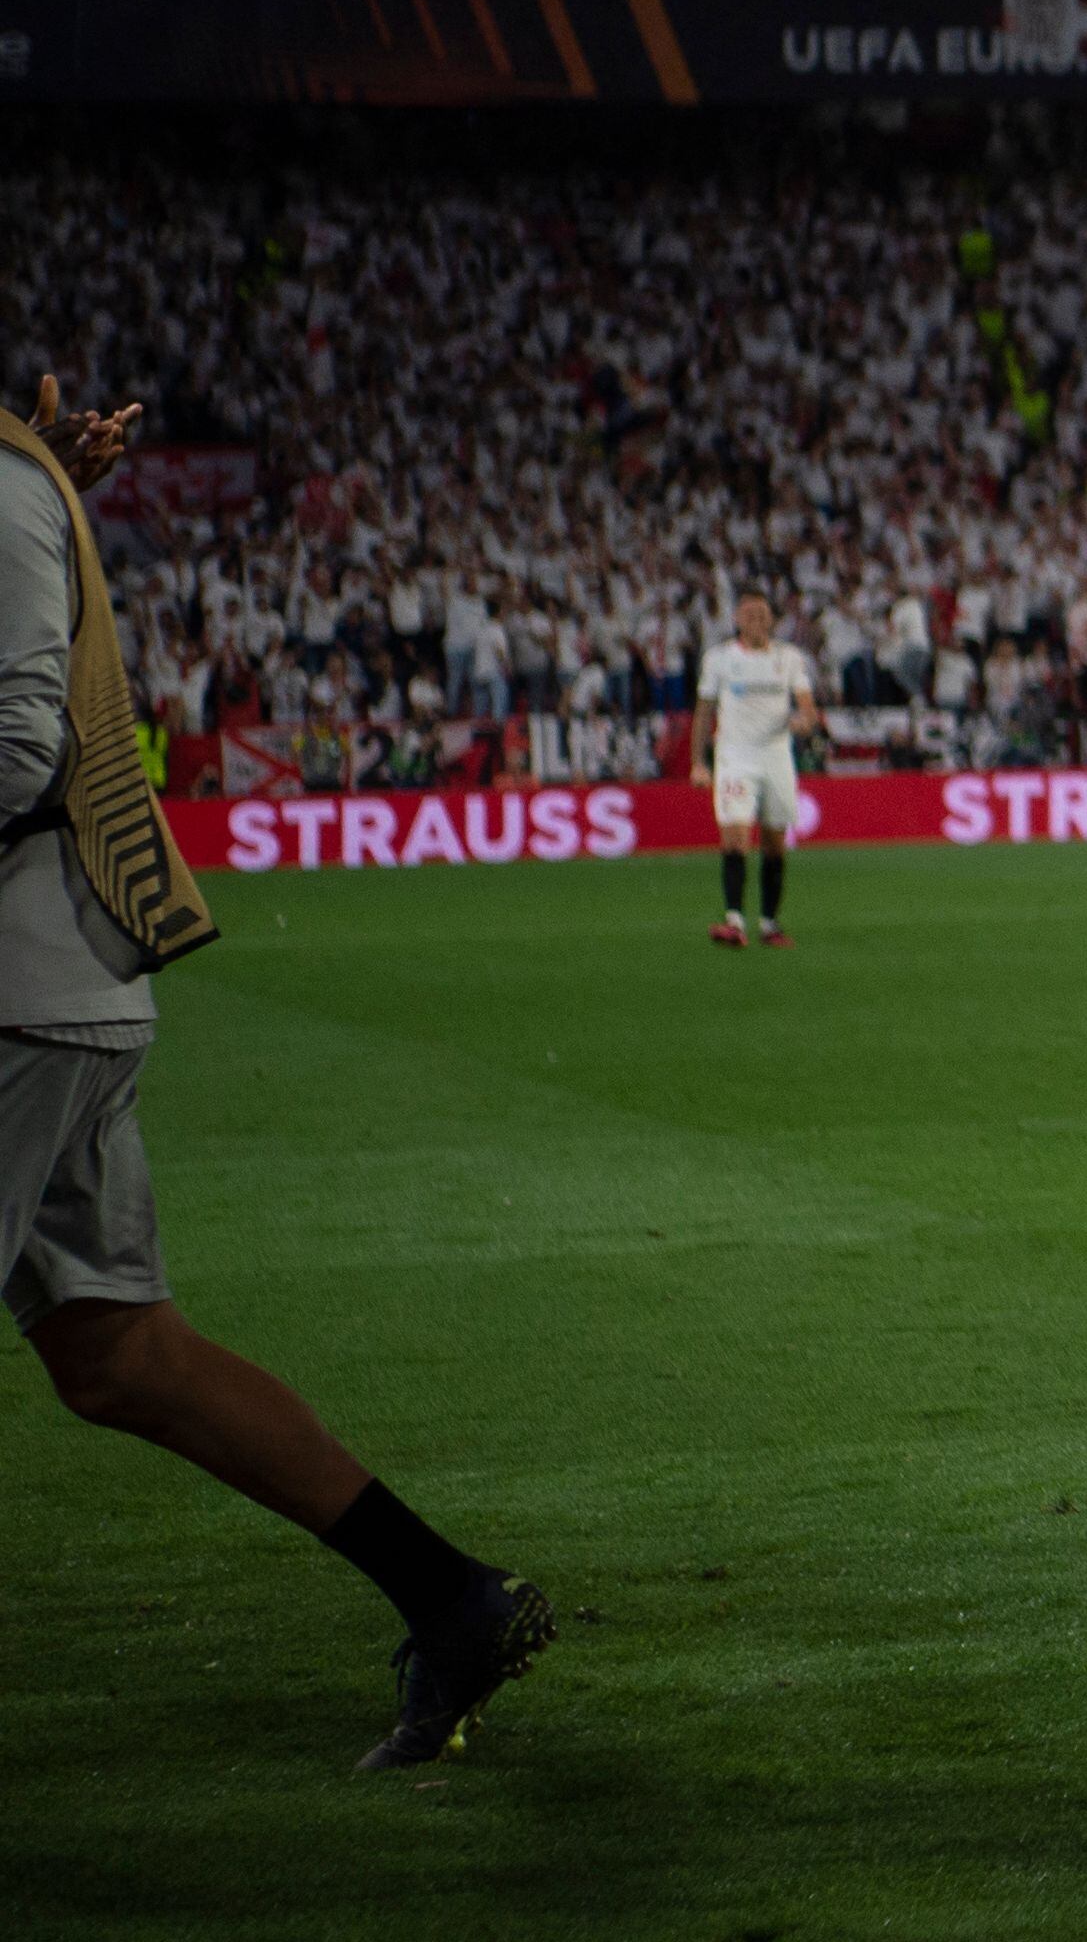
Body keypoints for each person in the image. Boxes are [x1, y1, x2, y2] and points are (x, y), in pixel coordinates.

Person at [4, 376, 557, 1772]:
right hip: (57, 985)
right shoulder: (15, 480)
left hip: (21, 995)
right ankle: (450, 1600)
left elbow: (20, 739)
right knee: (120, 1354)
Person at [694, 589, 821, 947]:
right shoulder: (719, 659)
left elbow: (807, 706)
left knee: (774, 844)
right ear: (736, 619)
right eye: (749, 614)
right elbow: (704, 711)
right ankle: (734, 921)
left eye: (763, 615)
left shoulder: (789, 657)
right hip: (735, 757)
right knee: (734, 836)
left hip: (777, 757)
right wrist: (697, 762)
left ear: (771, 620)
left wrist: (805, 720)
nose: (757, 621)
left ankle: (769, 924)